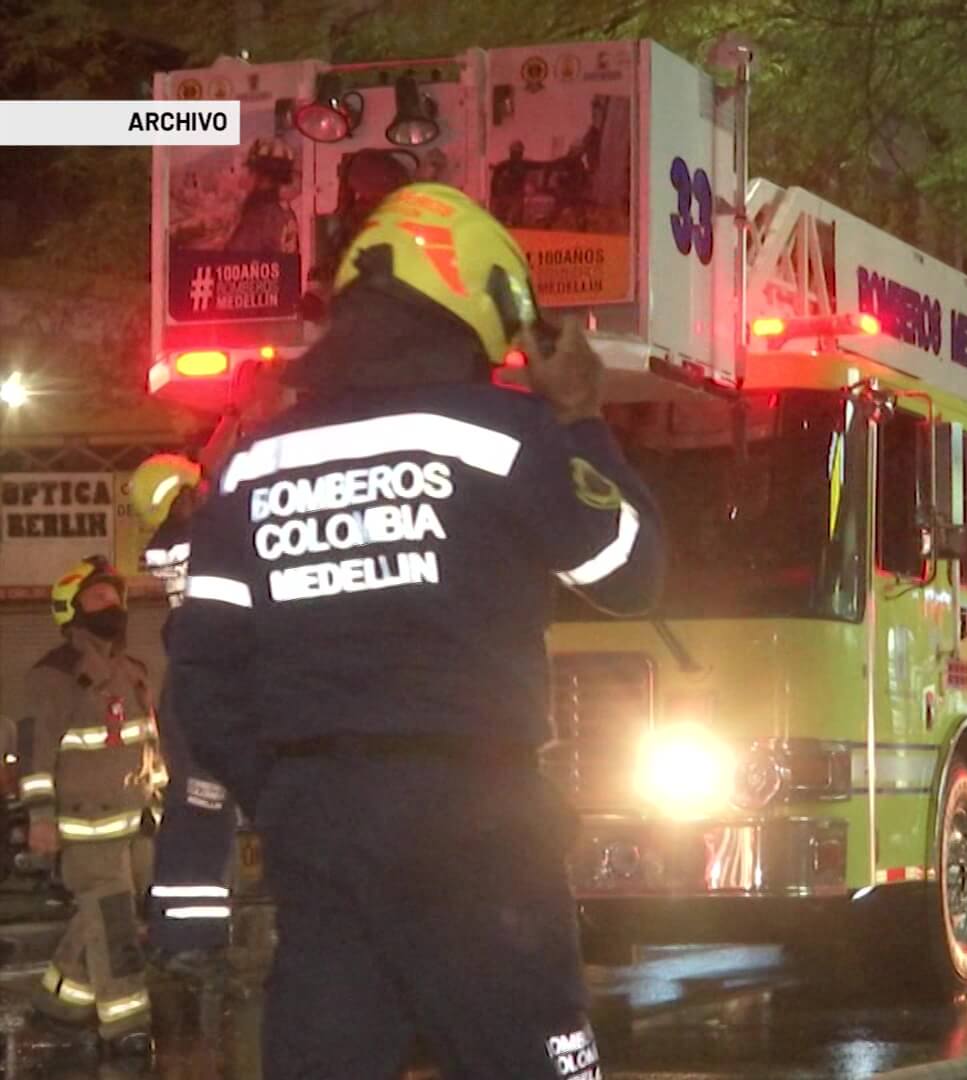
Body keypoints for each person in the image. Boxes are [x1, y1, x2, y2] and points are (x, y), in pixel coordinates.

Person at [167, 182, 665, 1079]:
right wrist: (583, 420)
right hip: (476, 821)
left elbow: (202, 672)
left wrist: (284, 791)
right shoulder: (504, 433)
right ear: (477, 300)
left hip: (317, 827)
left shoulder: (251, 464)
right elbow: (628, 572)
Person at [18, 557, 161, 1058]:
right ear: (72, 612)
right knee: (114, 923)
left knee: (97, 921)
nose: (113, 605)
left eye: (115, 597)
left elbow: (148, 747)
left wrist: (157, 803)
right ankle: (126, 1027)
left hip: (135, 825)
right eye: (98, 598)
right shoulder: (53, 677)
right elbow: (34, 757)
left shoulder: (132, 672)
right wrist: (40, 818)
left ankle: (56, 1006)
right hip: (86, 827)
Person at [133, 452, 240, 977]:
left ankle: (190, 932)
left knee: (205, 813)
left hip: (203, 690)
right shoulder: (190, 543)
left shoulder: (180, 542)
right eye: (191, 489)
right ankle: (185, 936)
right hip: (206, 692)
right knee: (200, 809)